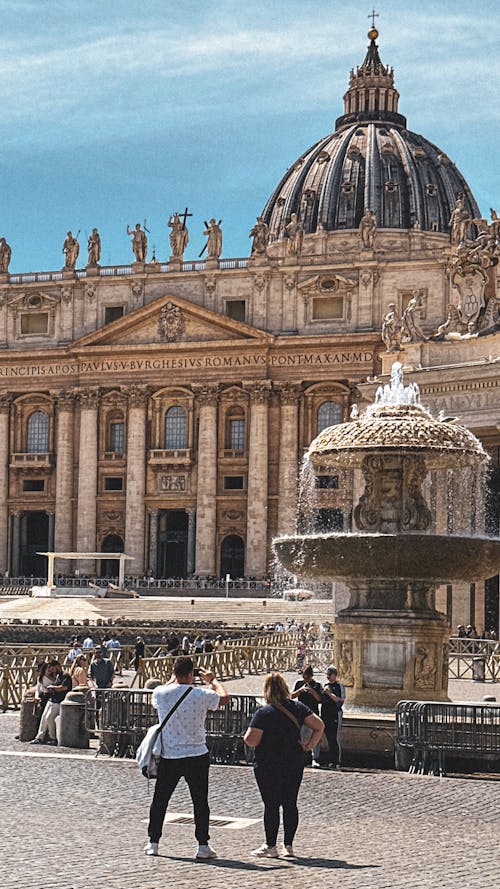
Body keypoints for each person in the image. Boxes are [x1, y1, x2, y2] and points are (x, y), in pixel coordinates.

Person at [144, 655, 229, 860]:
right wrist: (213, 680)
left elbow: (154, 699)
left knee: (160, 800)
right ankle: (202, 845)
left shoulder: (161, 693)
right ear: (192, 674)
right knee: (200, 802)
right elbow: (224, 699)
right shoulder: (201, 694)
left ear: (174, 673)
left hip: (170, 754)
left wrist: (173, 680)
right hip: (196, 754)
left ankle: (153, 842)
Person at [244, 673, 323, 859]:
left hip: (268, 764)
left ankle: (270, 846)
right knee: (290, 803)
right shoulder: (298, 707)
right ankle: (288, 846)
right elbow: (319, 725)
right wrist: (309, 745)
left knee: (271, 805)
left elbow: (250, 740)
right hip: (294, 761)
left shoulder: (264, 713)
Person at [31, 660, 71, 745]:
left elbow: (64, 687)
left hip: (59, 700)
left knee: (49, 718)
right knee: (44, 718)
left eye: (53, 668)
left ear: (57, 666)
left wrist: (53, 687)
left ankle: (53, 738)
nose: (52, 670)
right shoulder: (58, 676)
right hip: (52, 700)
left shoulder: (65, 675)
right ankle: (39, 737)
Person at [291, 665, 323, 768]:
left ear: (311, 676)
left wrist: (312, 692)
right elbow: (291, 696)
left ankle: (315, 758)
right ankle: (301, 757)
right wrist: (300, 690)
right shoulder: (299, 683)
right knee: (300, 736)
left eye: (308, 677)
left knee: (315, 736)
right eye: (304, 676)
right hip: (300, 714)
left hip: (313, 714)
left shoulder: (317, 685)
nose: (306, 679)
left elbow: (320, 699)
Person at [320, 666, 346, 769]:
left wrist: (330, 693)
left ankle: (337, 760)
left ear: (335, 675)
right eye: (327, 675)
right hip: (326, 714)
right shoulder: (325, 685)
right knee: (329, 738)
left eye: (330, 675)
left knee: (335, 738)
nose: (328, 677)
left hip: (335, 714)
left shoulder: (339, 686)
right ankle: (330, 760)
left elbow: (340, 701)